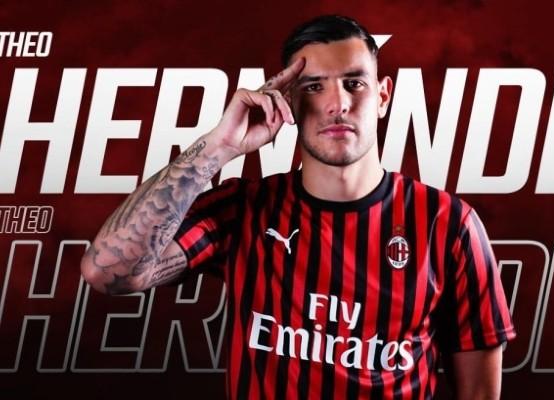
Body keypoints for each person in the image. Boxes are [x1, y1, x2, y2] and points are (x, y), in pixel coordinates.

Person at [81, 15, 515, 400]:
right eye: (313, 86)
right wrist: (217, 148)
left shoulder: (448, 224)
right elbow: (108, 272)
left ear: (383, 96)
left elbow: (479, 391)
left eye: (354, 83)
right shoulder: (243, 209)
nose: (337, 103)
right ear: (289, 100)